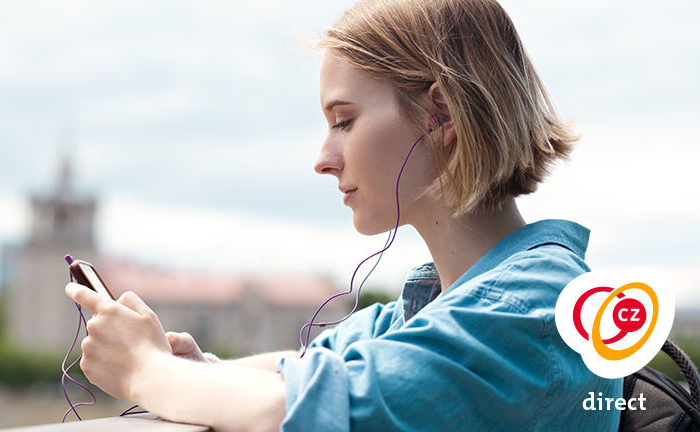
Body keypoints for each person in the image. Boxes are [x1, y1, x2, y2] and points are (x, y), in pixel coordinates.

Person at [65, 0, 623, 430]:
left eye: (344, 120)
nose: (323, 160)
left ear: (441, 114)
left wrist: (145, 370)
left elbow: (294, 411)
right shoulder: (425, 312)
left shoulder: (532, 311)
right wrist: (191, 370)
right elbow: (309, 371)